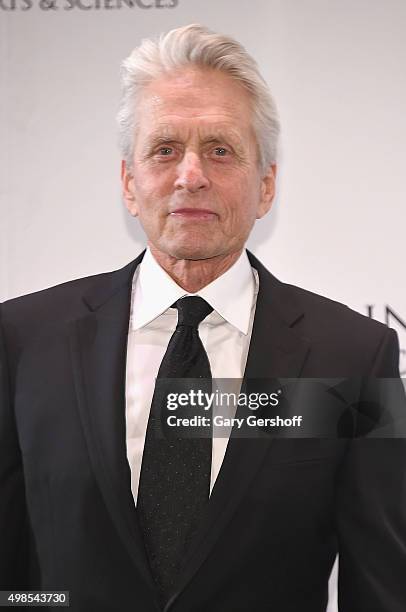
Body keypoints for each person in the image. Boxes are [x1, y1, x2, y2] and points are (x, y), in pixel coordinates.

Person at [0, 24, 405, 612]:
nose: (191, 175)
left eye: (220, 149)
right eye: (164, 150)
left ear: (265, 185)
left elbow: (383, 586)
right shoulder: (23, 341)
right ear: (128, 183)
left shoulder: (356, 356)